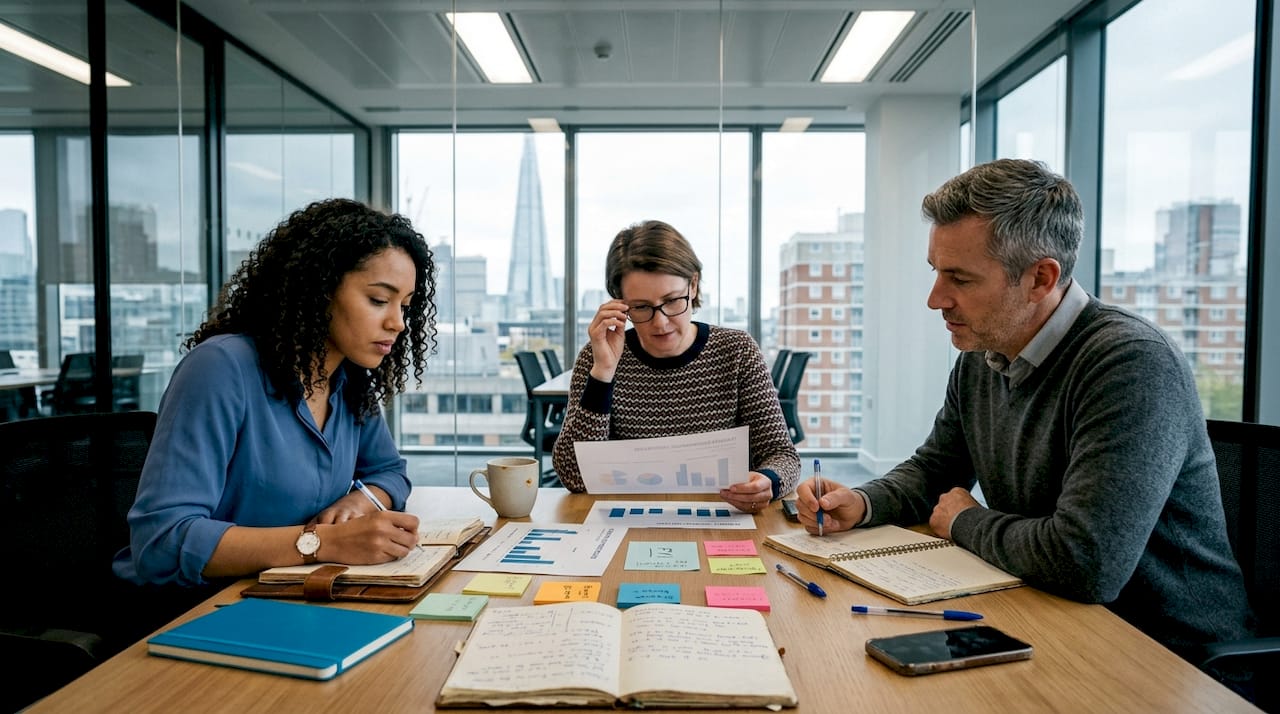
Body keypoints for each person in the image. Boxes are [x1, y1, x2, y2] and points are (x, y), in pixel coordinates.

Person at [796, 159, 1253, 660]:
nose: (935, 299)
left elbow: (1086, 561)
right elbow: (935, 471)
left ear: (1040, 278)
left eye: (960, 279)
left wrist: (967, 522)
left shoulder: (1130, 363)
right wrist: (862, 503)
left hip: (1166, 655)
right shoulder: (985, 355)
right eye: (936, 272)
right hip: (1045, 615)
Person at [114, 198, 437, 589]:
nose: (398, 323)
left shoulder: (347, 379)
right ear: (319, 289)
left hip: (293, 593)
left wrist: (361, 502)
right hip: (199, 608)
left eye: (405, 305)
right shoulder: (221, 367)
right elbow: (162, 543)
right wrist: (320, 542)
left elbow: (388, 472)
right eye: (379, 300)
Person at [552, 219, 799, 510]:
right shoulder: (599, 356)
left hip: (722, 517)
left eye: (672, 301)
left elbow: (782, 455)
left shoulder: (737, 351)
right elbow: (574, 476)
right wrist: (603, 374)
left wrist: (768, 480)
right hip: (629, 520)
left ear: (693, 285)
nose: (661, 322)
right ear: (620, 304)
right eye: (641, 307)